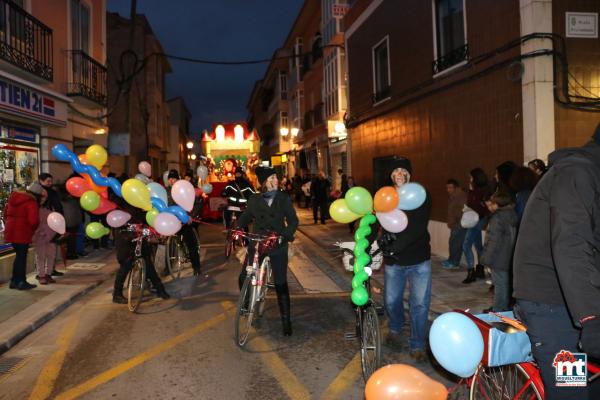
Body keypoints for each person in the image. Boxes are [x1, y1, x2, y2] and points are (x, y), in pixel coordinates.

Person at [513, 124, 600, 399]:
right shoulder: (577, 172)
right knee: (571, 391)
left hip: (578, 297)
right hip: (551, 306)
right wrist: (591, 316)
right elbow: (572, 243)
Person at [376, 157, 431, 363]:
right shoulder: (385, 196)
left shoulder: (421, 195)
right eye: (395, 171)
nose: (399, 174)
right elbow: (376, 222)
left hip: (419, 259)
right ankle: (396, 327)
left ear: (409, 174)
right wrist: (370, 244)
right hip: (394, 262)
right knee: (391, 300)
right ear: (391, 175)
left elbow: (418, 228)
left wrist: (394, 247)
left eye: (403, 171)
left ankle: (417, 344)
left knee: (420, 304)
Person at [235, 166, 299, 336]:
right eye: (273, 178)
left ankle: (286, 320)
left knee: (280, 283)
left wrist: (284, 236)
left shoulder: (283, 198)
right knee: (243, 276)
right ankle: (246, 302)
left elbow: (293, 221)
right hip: (259, 242)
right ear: (265, 182)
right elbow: (247, 216)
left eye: (276, 178)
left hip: (277, 243)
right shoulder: (254, 200)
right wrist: (237, 227)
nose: (277, 181)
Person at [479, 191, 517, 312]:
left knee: (499, 284)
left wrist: (486, 259)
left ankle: (499, 310)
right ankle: (501, 307)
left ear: (498, 204)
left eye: (493, 203)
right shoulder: (512, 214)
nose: (491, 206)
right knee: (504, 283)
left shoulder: (497, 217)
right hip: (508, 254)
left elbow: (493, 241)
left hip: (498, 256)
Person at [3, 182, 42, 290]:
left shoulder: (13, 198)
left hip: (11, 231)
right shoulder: (31, 201)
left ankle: (14, 281)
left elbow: (5, 214)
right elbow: (33, 221)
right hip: (22, 232)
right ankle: (21, 282)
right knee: (21, 257)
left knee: (18, 256)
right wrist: (32, 229)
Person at [167, 170, 202, 276]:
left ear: (178, 179)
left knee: (191, 244)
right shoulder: (166, 191)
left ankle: (196, 267)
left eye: (173, 178)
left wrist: (191, 216)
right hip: (171, 221)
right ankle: (167, 266)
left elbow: (197, 203)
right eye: (169, 179)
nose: (171, 181)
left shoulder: (184, 188)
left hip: (185, 221)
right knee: (167, 243)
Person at [462, 168, 490, 284]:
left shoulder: (483, 190)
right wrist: (471, 191)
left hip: (478, 220)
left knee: (466, 245)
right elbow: (469, 204)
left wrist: (472, 192)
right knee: (478, 245)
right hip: (473, 219)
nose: (470, 179)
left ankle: (471, 271)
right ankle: (480, 269)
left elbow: (480, 207)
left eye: (471, 177)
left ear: (476, 177)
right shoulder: (473, 190)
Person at [38, 173, 64, 276]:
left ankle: (50, 270)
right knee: (42, 251)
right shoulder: (39, 192)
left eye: (51, 181)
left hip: (54, 222)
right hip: (44, 224)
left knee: (52, 248)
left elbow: (58, 206)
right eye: (48, 181)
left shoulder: (53, 192)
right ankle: (41, 273)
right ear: (41, 181)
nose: (50, 183)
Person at [32, 189, 58, 285]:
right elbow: (33, 223)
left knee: (51, 255)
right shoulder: (34, 208)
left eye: (45, 196)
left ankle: (48, 274)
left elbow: (55, 220)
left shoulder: (50, 207)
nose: (43, 198)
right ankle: (41, 275)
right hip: (39, 236)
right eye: (42, 196)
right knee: (40, 256)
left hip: (51, 235)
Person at [442, 179, 467, 269]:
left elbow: (463, 209)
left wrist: (457, 219)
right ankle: (451, 260)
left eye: (450, 187)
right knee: (452, 242)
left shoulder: (460, 195)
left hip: (459, 224)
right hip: (455, 224)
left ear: (455, 187)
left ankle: (454, 262)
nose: (448, 190)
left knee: (456, 243)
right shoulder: (454, 195)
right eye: (447, 187)